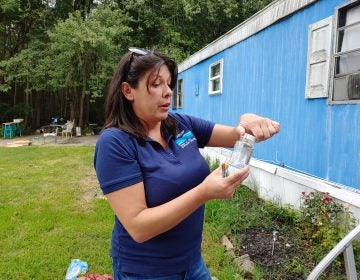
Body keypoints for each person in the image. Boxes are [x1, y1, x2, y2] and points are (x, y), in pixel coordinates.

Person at [94, 47, 280, 280]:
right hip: (146, 271)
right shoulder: (115, 143)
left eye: (170, 83)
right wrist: (203, 193)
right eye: (156, 84)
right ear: (128, 91)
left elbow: (234, 134)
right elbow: (138, 227)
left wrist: (246, 123)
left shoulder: (178, 123)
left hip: (192, 263)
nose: (168, 92)